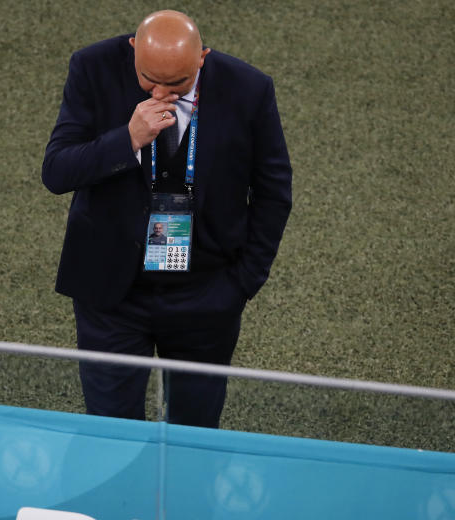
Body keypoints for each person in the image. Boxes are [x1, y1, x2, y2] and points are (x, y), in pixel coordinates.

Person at [42, 9, 292, 428]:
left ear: (202, 59)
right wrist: (128, 139)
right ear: (133, 49)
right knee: (110, 433)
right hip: (111, 297)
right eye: (148, 80)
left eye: (176, 84)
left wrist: (242, 282)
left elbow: (273, 191)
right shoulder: (92, 67)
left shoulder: (250, 89)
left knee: (194, 434)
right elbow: (57, 171)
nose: (161, 93)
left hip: (206, 296)